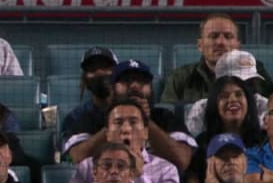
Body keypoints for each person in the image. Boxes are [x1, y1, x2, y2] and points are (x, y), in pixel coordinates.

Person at [64, 59, 196, 173]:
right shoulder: (91, 118)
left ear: (151, 88)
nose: (134, 86)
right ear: (112, 88)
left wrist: (145, 121)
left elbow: (182, 161)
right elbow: (77, 157)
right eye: (126, 81)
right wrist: (114, 124)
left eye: (142, 82)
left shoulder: (165, 117)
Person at [64, 100, 180, 183]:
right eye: (118, 122)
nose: (126, 129)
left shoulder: (166, 169)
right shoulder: (87, 167)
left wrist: (140, 176)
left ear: (145, 133)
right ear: (107, 134)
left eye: (133, 122)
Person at [160, 12, 273, 103]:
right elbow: (167, 117)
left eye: (228, 36)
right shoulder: (180, 77)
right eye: (213, 36)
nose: (221, 42)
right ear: (200, 45)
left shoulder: (256, 71)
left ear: (238, 45)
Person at [183, 74, 264, 183]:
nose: (232, 100)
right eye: (224, 96)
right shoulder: (203, 142)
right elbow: (191, 178)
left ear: (248, 102)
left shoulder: (263, 140)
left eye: (238, 94)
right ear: (214, 105)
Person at [185, 50, 271, 136]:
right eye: (239, 81)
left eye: (250, 82)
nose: (246, 87)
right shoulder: (201, 109)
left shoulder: (264, 105)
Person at [187, 133, 273, 183]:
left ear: (245, 162)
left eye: (235, 156)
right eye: (223, 157)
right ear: (210, 164)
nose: (231, 162)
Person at [61, 47, 118, 145]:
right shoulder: (75, 117)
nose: (99, 73)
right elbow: (74, 156)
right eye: (92, 69)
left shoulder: (131, 112)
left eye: (105, 67)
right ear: (84, 79)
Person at [73, 142, 156, 183]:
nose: (114, 171)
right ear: (95, 174)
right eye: (107, 165)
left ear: (131, 174)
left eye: (121, 166)